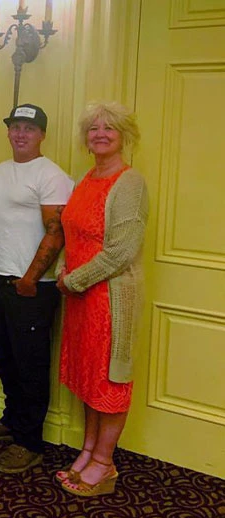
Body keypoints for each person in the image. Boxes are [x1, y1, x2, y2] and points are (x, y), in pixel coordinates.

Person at [0, 104, 74, 473]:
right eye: (15, 126)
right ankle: (13, 419)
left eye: (29, 128)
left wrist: (31, 278)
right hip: (0, 278)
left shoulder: (52, 176)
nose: (20, 134)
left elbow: (56, 233)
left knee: (30, 364)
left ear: (42, 134)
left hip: (33, 286)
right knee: (5, 356)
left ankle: (29, 442)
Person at [56, 102, 148, 496]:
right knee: (89, 378)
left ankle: (105, 464)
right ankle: (89, 450)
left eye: (109, 128)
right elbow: (72, 233)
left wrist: (72, 280)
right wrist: (65, 271)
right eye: (94, 128)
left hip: (110, 299)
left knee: (110, 380)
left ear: (124, 135)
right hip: (81, 297)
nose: (100, 134)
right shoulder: (87, 178)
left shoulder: (130, 183)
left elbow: (121, 252)